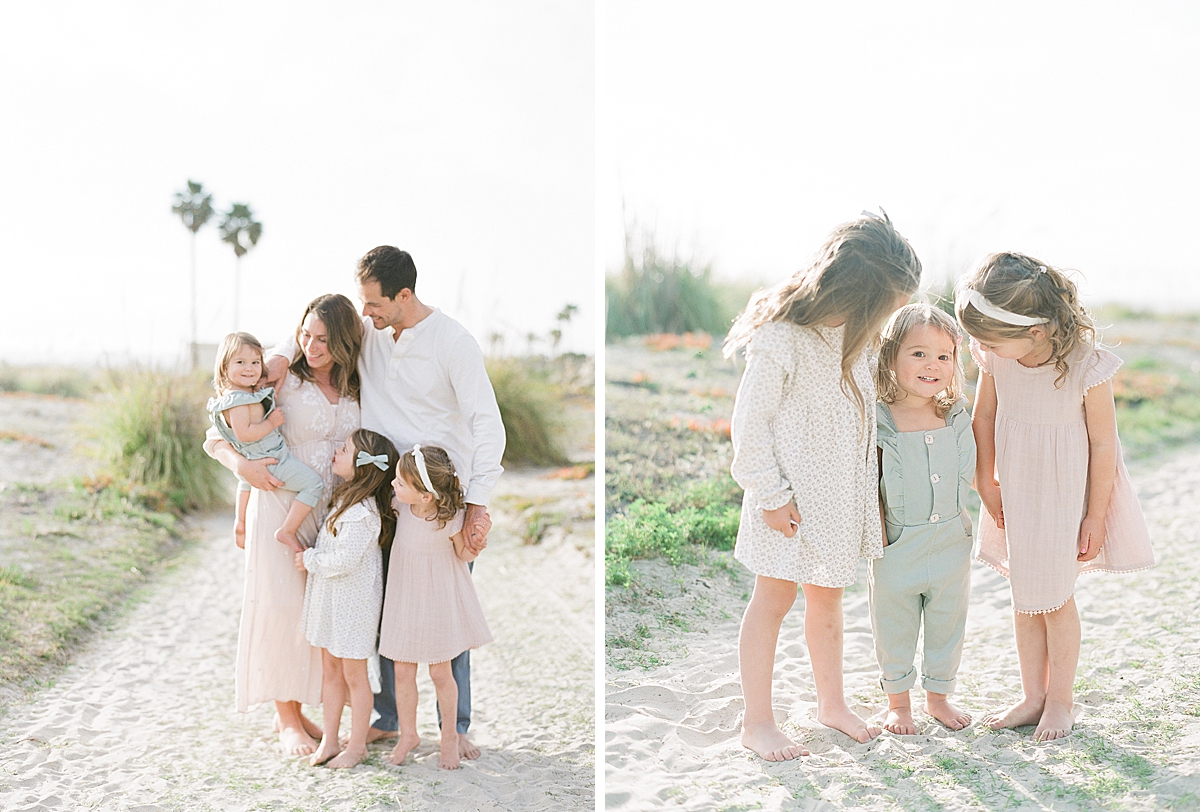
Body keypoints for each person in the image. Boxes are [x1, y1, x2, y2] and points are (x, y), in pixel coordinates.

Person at [264, 246, 504, 760]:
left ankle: (453, 728)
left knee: (443, 611)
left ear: (405, 296)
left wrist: (478, 504)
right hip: (381, 493)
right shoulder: (369, 329)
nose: (365, 313)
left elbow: (487, 423)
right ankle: (392, 719)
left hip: (438, 501)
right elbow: (318, 324)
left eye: (374, 304)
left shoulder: (453, 342)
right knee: (386, 609)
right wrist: (282, 354)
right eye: (362, 304)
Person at [723, 211, 922, 761]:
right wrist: (770, 495)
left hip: (839, 499)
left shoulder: (859, 335)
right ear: (863, 291)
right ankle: (757, 720)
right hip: (784, 500)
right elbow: (749, 425)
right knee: (773, 599)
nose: (893, 316)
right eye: (892, 303)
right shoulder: (782, 335)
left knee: (828, 602)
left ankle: (830, 704)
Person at [957, 252, 1154, 742]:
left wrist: (1096, 514)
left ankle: (1060, 699)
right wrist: (986, 480)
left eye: (987, 337)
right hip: (1016, 487)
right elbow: (983, 418)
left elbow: (1104, 442)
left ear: (1037, 331)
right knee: (1026, 597)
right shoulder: (997, 358)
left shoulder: (1084, 363)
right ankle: (1033, 695)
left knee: (1055, 599)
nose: (978, 346)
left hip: (1065, 492)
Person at [203, 293, 363, 756]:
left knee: (323, 613)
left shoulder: (358, 382)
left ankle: (314, 709)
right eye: (305, 336)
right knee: (281, 609)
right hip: (279, 502)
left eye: (324, 340)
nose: (312, 347)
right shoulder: (280, 378)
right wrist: (241, 468)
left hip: (336, 514)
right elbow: (216, 434)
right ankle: (286, 718)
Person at [869, 304, 975, 735]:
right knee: (894, 624)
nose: (932, 365)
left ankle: (938, 698)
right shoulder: (879, 419)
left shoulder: (955, 415)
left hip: (952, 539)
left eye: (944, 356)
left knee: (948, 621)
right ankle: (898, 703)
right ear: (890, 356)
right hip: (898, 544)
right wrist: (880, 541)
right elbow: (867, 484)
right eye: (918, 354)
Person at [379, 444, 492, 770]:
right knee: (402, 670)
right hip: (404, 598)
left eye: (400, 481)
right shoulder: (400, 505)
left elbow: (464, 556)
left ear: (426, 495)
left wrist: (477, 545)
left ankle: (449, 738)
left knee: (440, 672)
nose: (393, 485)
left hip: (436, 601)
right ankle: (408, 734)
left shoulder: (451, 517)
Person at [295, 429, 397, 769]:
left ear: (362, 465)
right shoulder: (343, 501)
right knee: (331, 671)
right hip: (331, 603)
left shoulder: (363, 513)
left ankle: (356, 746)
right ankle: (329, 739)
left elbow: (343, 561)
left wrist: (309, 560)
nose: (336, 452)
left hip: (352, 608)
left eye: (344, 449)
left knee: (355, 676)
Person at [207, 331, 325, 552]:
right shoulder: (237, 401)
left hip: (254, 458)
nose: (249, 368)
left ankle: (240, 521)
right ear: (224, 367)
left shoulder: (242, 394)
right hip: (270, 460)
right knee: (313, 484)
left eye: (255, 362)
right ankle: (287, 530)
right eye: (240, 362)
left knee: (244, 483)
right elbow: (244, 433)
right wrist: (271, 423)